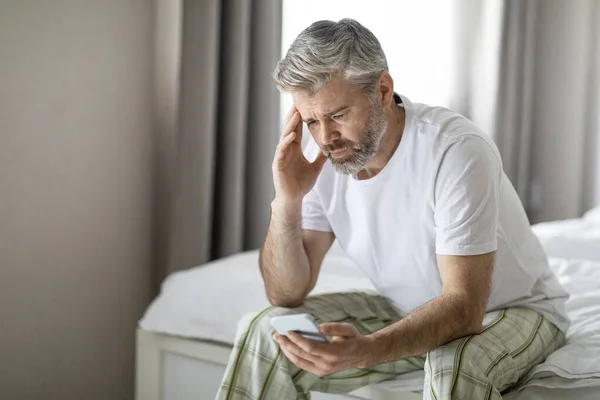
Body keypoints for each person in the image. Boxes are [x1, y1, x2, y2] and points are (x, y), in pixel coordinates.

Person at [216, 18, 568, 400]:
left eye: (337, 115)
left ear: (382, 90)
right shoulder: (324, 158)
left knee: (454, 362)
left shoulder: (456, 150)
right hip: (408, 309)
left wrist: (366, 349)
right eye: (311, 120)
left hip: (511, 310)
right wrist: (287, 200)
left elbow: (464, 308)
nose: (325, 137)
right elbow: (285, 293)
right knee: (269, 329)